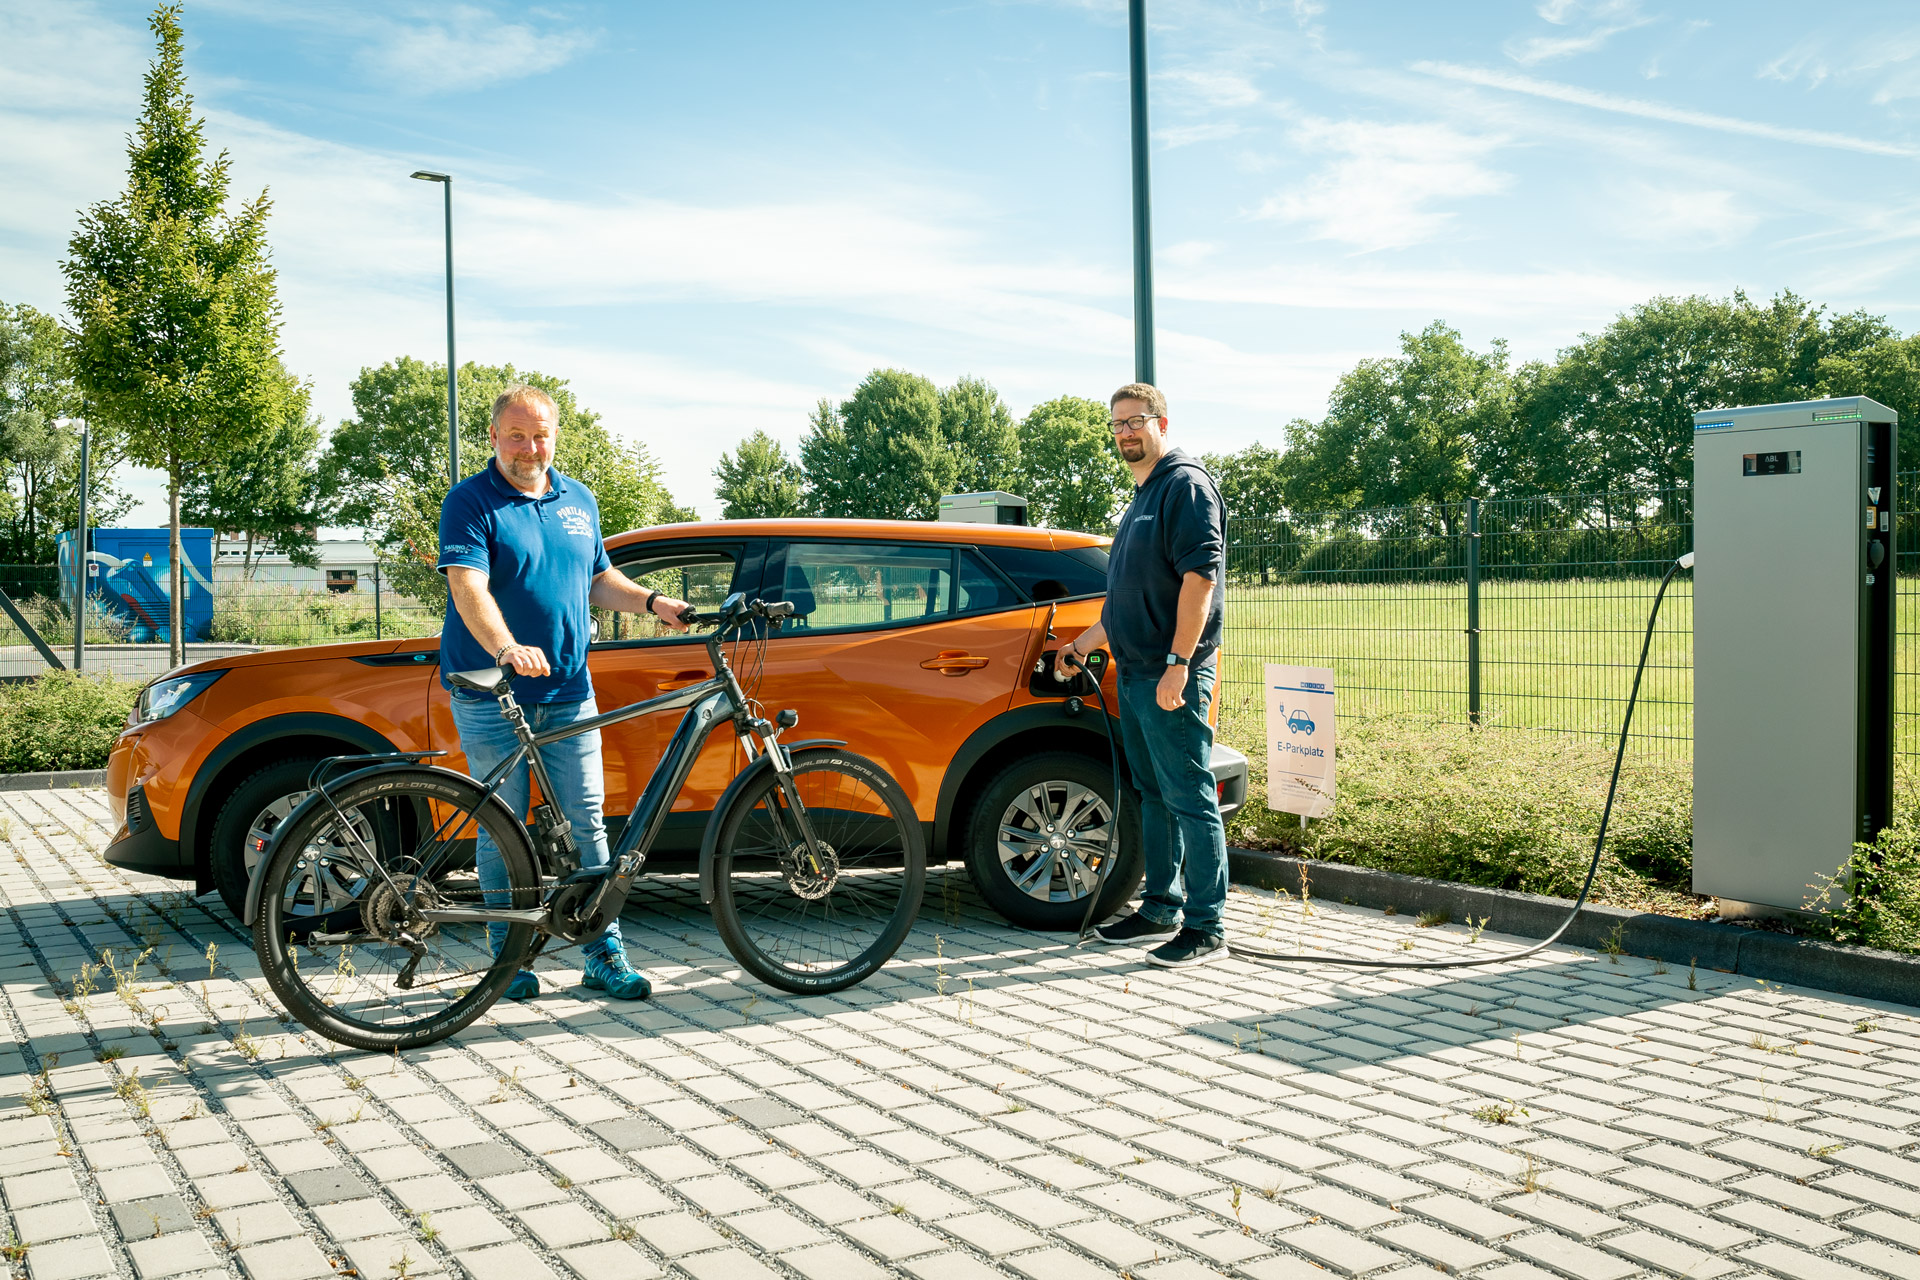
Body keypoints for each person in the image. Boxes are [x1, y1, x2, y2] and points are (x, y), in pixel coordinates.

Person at [438, 385, 691, 1001]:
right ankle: (508, 960)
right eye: (517, 435)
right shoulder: (470, 501)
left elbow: (598, 578)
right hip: (493, 692)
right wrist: (506, 646)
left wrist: (654, 602)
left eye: (540, 435)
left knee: (587, 824)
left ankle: (603, 954)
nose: (530, 448)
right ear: (494, 437)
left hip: (569, 688)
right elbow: (468, 586)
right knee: (502, 827)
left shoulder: (578, 499)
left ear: (555, 436)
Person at [1055, 382, 1229, 968]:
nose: (1126, 432)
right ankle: (1160, 907)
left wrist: (1179, 664)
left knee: (1188, 795)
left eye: (1136, 420)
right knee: (1154, 795)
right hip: (1134, 672)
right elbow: (1125, 598)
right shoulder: (1140, 498)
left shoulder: (1185, 486)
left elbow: (1199, 581)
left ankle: (1206, 926)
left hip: (1170, 672)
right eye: (1118, 423)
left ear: (1162, 424)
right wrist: (1081, 645)